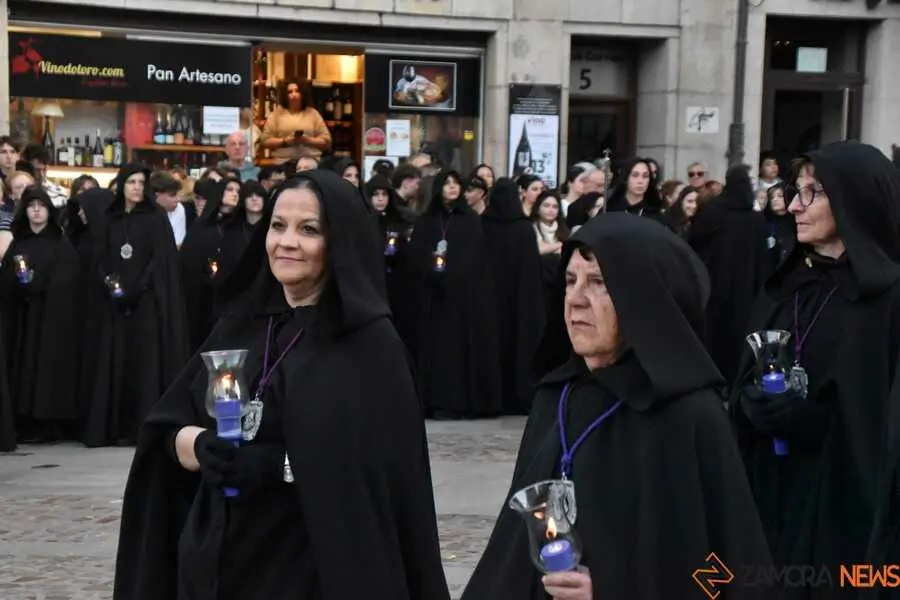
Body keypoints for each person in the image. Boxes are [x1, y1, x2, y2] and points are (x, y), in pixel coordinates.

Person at [113, 170, 449, 600]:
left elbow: (375, 476)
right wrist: (198, 446)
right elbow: (165, 428)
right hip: (216, 563)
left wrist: (279, 466)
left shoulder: (369, 346)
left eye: (308, 230)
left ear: (339, 242)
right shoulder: (241, 327)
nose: (286, 242)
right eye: (277, 225)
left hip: (308, 569)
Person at [464, 214, 773, 600]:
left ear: (642, 300)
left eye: (598, 283)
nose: (576, 298)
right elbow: (510, 547)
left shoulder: (689, 414)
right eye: (570, 280)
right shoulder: (557, 396)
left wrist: (615, 587)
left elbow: (726, 569)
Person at [731, 141, 900, 594]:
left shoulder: (888, 300)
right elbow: (744, 374)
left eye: (814, 192)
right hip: (771, 494)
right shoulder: (786, 286)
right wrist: (752, 403)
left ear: (853, 200)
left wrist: (818, 420)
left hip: (845, 509)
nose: (795, 205)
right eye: (796, 190)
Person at [80, 164, 189, 447]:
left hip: (145, 303)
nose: (137, 188)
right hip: (113, 304)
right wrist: (109, 282)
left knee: (144, 363)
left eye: (142, 183)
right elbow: (100, 256)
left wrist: (139, 287)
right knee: (114, 361)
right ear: (122, 186)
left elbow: (159, 260)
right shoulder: (110, 219)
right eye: (132, 182)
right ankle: (112, 426)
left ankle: (141, 426)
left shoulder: (155, 218)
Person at [0, 186, 80, 442]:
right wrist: (19, 285)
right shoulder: (19, 243)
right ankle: (23, 420)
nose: (36, 210)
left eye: (41, 205)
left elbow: (68, 282)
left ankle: (47, 423)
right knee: (22, 367)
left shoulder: (60, 244)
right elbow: (6, 279)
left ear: (49, 210)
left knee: (46, 369)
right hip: (22, 318)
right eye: (32, 205)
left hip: (49, 320)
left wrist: (39, 287)